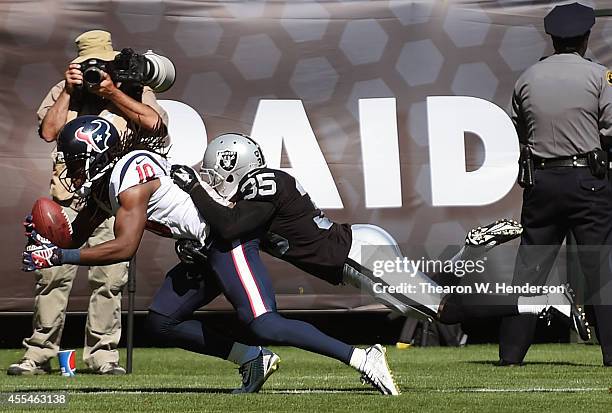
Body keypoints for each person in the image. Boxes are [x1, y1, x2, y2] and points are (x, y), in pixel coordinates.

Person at [21, 115, 400, 395]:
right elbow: (73, 239)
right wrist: (46, 240)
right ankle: (252, 359)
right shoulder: (106, 185)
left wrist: (60, 258)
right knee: (162, 320)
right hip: (203, 248)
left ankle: (363, 358)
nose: (67, 167)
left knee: (264, 323)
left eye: (72, 158)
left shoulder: (130, 175)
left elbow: (125, 247)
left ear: (95, 155)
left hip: (225, 240)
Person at [169, 133, 589, 335]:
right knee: (426, 298)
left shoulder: (264, 184)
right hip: (357, 251)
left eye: (216, 173)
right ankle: (461, 262)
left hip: (357, 257)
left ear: (236, 165)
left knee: (443, 310)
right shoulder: (259, 190)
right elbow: (231, 233)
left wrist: (192, 188)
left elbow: (229, 226)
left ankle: (546, 299)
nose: (212, 181)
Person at [8, 30, 167, 376]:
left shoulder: (135, 89)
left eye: (101, 65)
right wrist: (68, 90)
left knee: (109, 282)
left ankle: (102, 356)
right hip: (66, 202)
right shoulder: (63, 89)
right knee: (50, 278)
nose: (94, 72)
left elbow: (156, 127)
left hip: (111, 202)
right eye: (87, 66)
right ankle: (37, 355)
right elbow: (49, 132)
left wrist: (112, 92)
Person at [499, 2, 612, 366]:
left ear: (552, 38)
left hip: (542, 182)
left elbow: (520, 127)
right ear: (586, 36)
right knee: (601, 269)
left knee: (530, 269)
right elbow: (610, 130)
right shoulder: (601, 77)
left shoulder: (527, 78)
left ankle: (512, 355)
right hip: (588, 182)